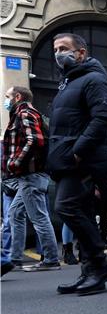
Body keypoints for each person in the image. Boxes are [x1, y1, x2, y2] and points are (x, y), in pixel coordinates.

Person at [47, 32, 107, 295]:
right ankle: (90, 271)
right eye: (55, 49)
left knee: (66, 207)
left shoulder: (94, 80)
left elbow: (104, 119)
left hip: (82, 161)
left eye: (64, 48)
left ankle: (99, 265)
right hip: (67, 161)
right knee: (81, 212)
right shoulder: (67, 82)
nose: (58, 54)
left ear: (81, 53)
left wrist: (77, 151)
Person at [3, 86, 60, 271]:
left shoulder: (24, 112)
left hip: (31, 175)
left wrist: (15, 162)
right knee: (15, 214)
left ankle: (51, 259)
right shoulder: (25, 113)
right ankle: (14, 259)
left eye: (7, 97)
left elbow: (34, 139)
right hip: (29, 176)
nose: (5, 101)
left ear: (17, 97)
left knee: (39, 217)